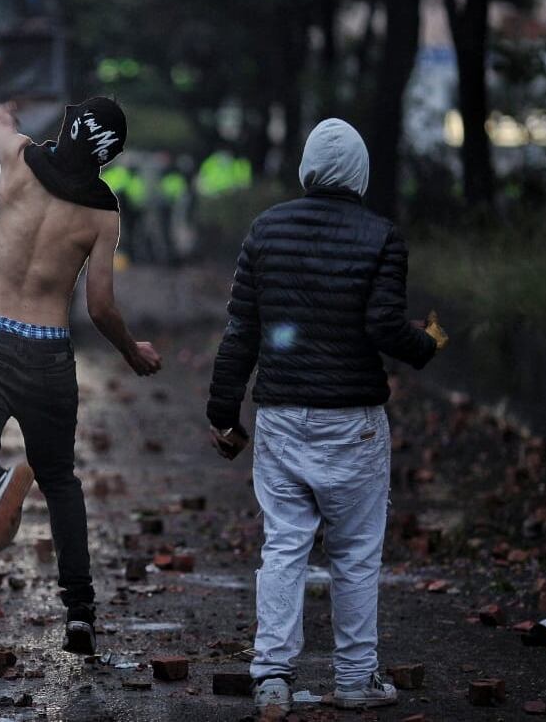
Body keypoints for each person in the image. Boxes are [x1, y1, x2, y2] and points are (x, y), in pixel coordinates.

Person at [205, 119, 447, 716]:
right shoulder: (381, 236)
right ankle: (355, 680)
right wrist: (428, 345)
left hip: (282, 416)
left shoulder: (266, 229)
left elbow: (243, 331)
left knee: (284, 546)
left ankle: (272, 678)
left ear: (307, 169)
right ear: (360, 172)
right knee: (355, 553)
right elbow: (384, 326)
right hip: (353, 421)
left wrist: (222, 412)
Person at [0, 97, 162, 656]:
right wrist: (130, 350)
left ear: (67, 127)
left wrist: (5, 109)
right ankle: (81, 613)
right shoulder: (102, 213)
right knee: (61, 481)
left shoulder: (17, 160)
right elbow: (101, 307)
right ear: (108, 155)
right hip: (48, 353)